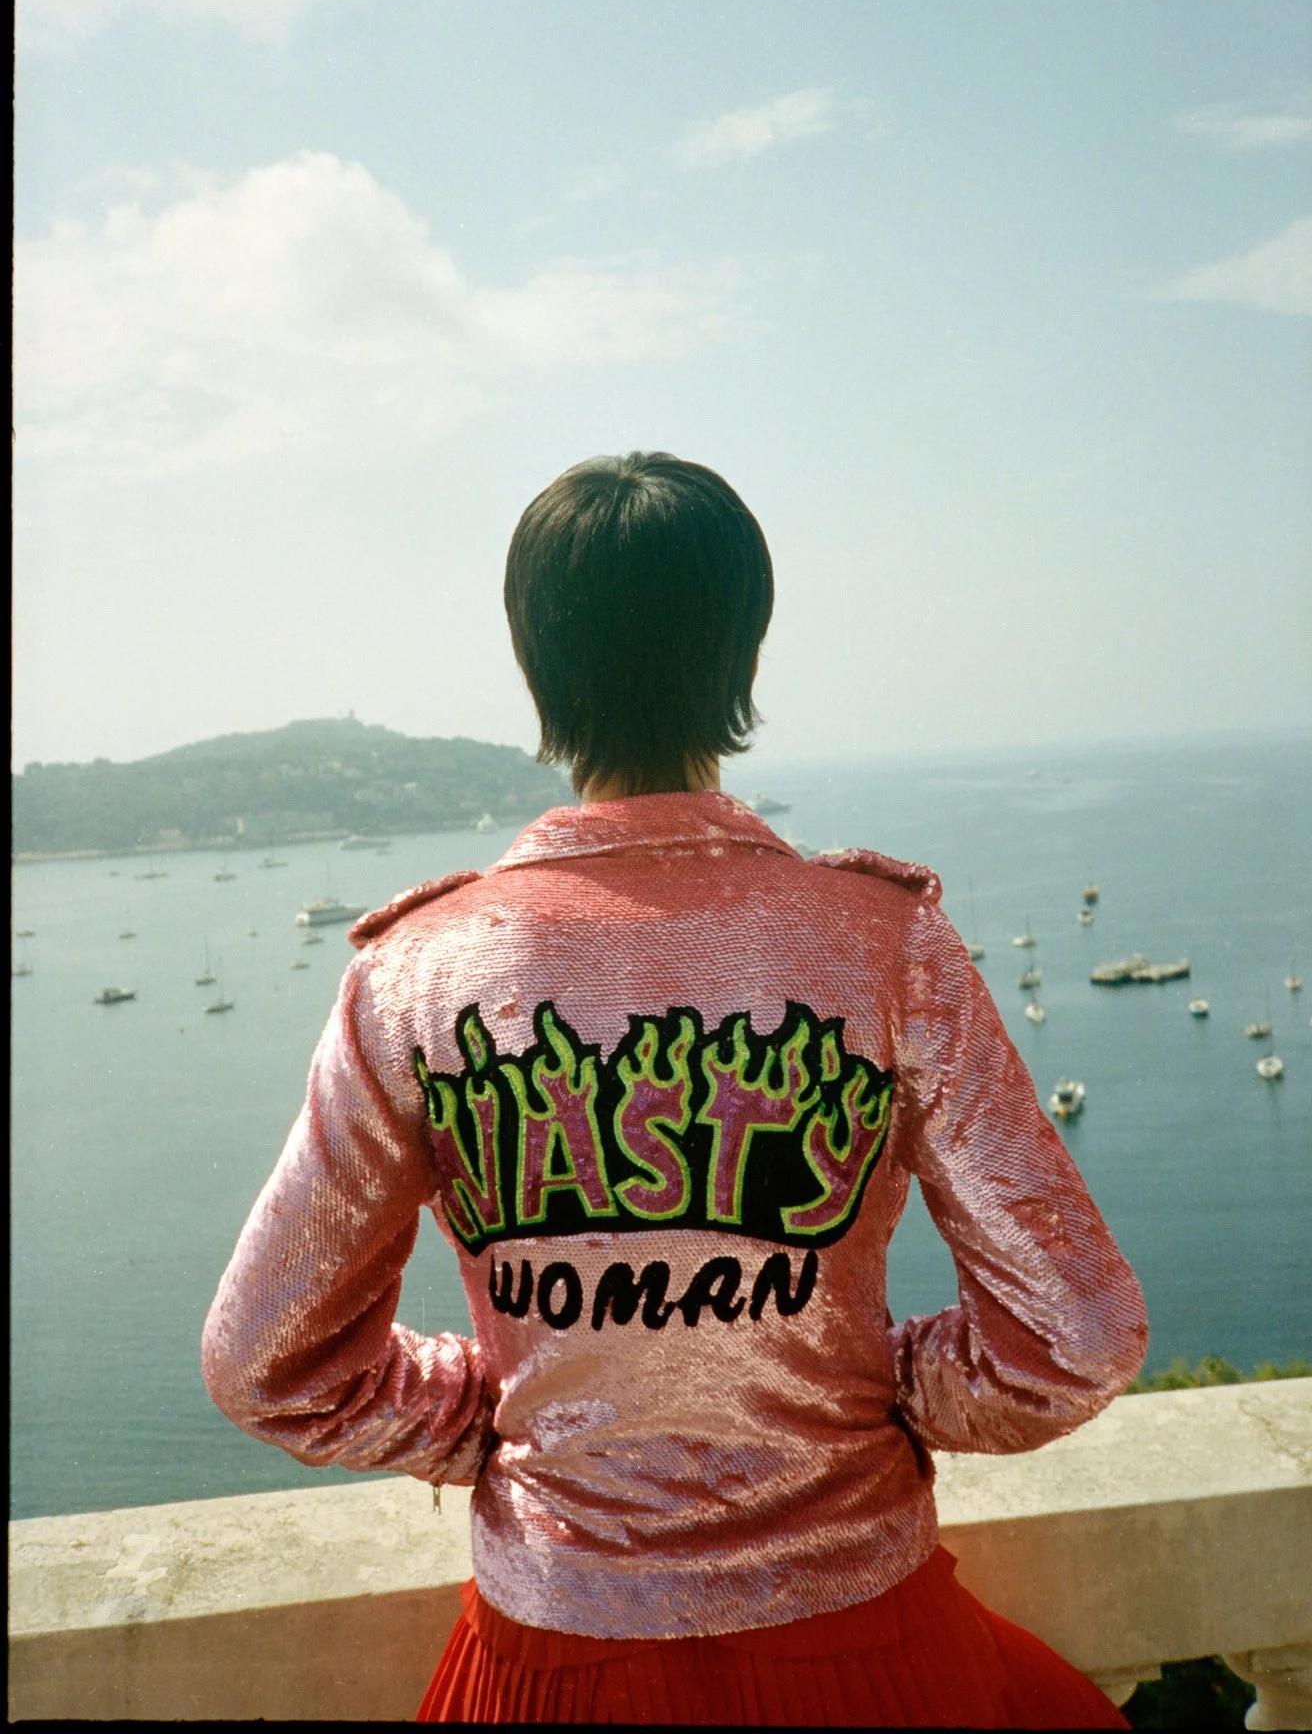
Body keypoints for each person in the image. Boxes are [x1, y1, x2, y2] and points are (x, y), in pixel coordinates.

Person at [203, 451, 1147, 1727]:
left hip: (550, 1663)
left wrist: (489, 1414)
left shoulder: (417, 973)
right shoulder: (881, 943)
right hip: (875, 1653)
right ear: (744, 650)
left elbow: (266, 1362)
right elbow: (1077, 1333)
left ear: (536, 664)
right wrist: (878, 1385)